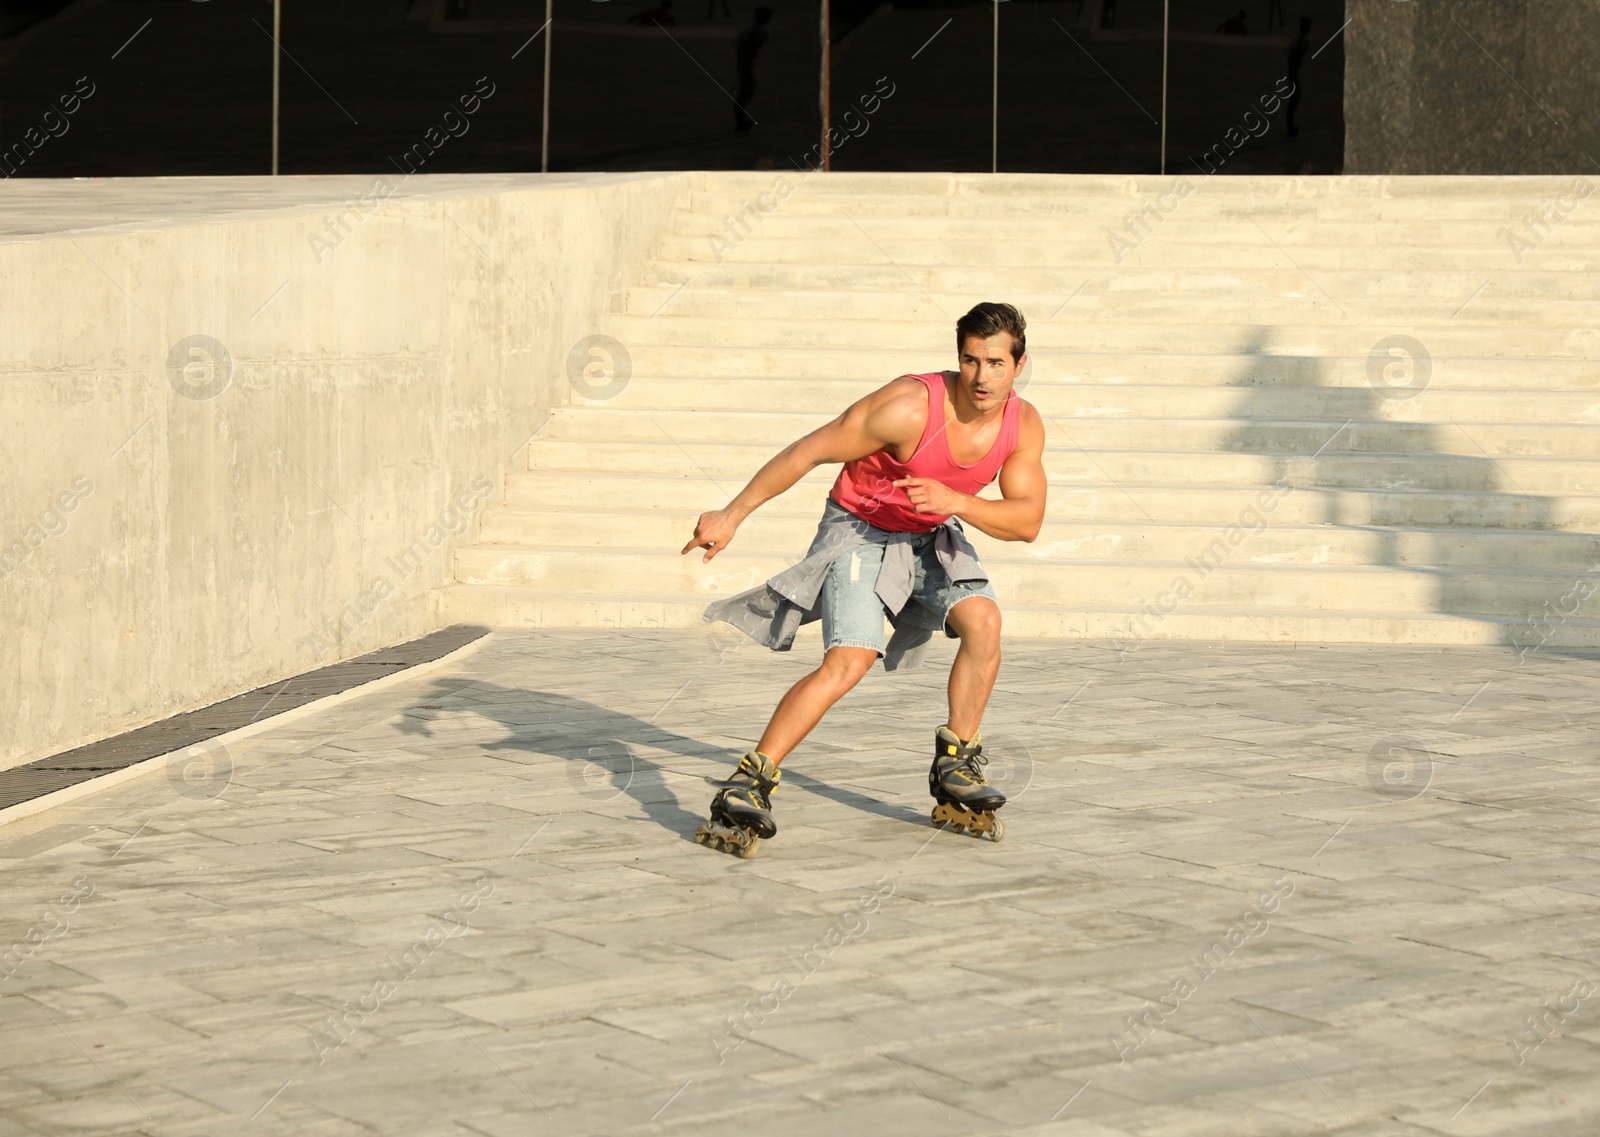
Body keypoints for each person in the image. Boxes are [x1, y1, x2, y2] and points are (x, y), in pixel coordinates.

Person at [682, 303, 1049, 855]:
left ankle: (957, 763)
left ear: (1019, 365)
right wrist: (732, 514)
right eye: (971, 361)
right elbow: (809, 450)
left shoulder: (1023, 425)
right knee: (849, 660)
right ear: (958, 360)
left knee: (984, 621)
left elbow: (1027, 523)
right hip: (862, 527)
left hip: (932, 526)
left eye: (996, 363)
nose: (981, 377)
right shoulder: (907, 409)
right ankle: (751, 780)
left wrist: (955, 501)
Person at [733, 7, 772, 132]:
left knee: (746, 91)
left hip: (744, 63)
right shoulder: (762, 31)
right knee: (745, 92)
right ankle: (740, 122)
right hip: (747, 64)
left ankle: (740, 120)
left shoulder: (747, 31)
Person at [1286, 16, 1311, 137]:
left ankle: (1291, 126)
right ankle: (1290, 128)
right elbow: (1298, 55)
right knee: (1294, 100)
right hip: (1294, 73)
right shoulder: (1304, 40)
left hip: (1293, 72)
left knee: (1295, 99)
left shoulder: (1295, 40)